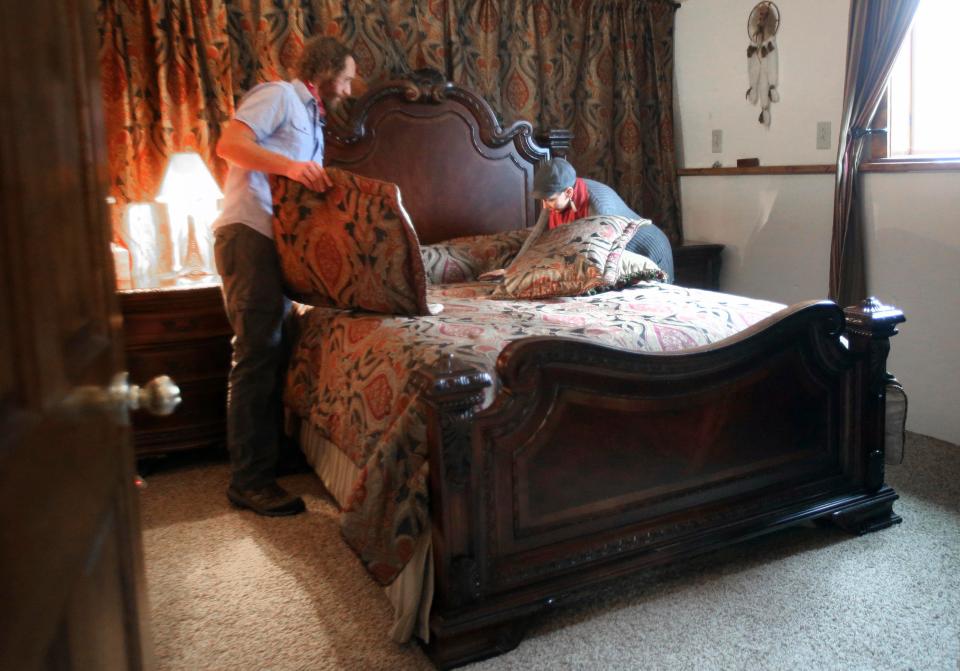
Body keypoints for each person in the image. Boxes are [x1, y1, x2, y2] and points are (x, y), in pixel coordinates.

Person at [212, 36, 356, 516]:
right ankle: (248, 481)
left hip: (279, 246)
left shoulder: (313, 118)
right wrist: (293, 167)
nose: (351, 90)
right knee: (256, 352)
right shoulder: (278, 96)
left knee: (280, 346)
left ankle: (272, 456)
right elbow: (230, 144)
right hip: (248, 235)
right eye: (349, 78)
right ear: (328, 72)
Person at [489, 158, 674, 281]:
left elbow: (593, 254)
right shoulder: (555, 197)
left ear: (569, 192)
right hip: (620, 252)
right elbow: (536, 236)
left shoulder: (599, 205)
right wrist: (511, 271)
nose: (545, 206)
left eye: (550, 200)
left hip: (648, 247)